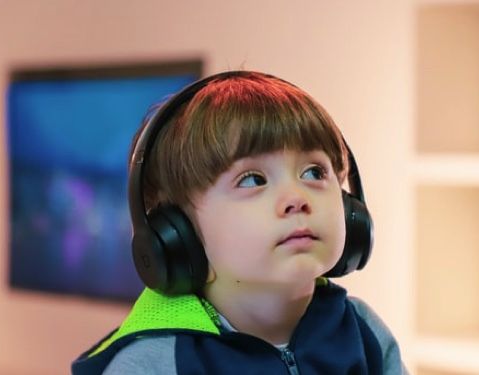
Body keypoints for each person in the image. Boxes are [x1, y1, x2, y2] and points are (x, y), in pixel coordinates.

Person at [71, 71, 407, 374]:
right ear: (177, 232)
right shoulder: (152, 363)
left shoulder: (363, 332)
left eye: (314, 172)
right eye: (252, 180)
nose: (296, 197)